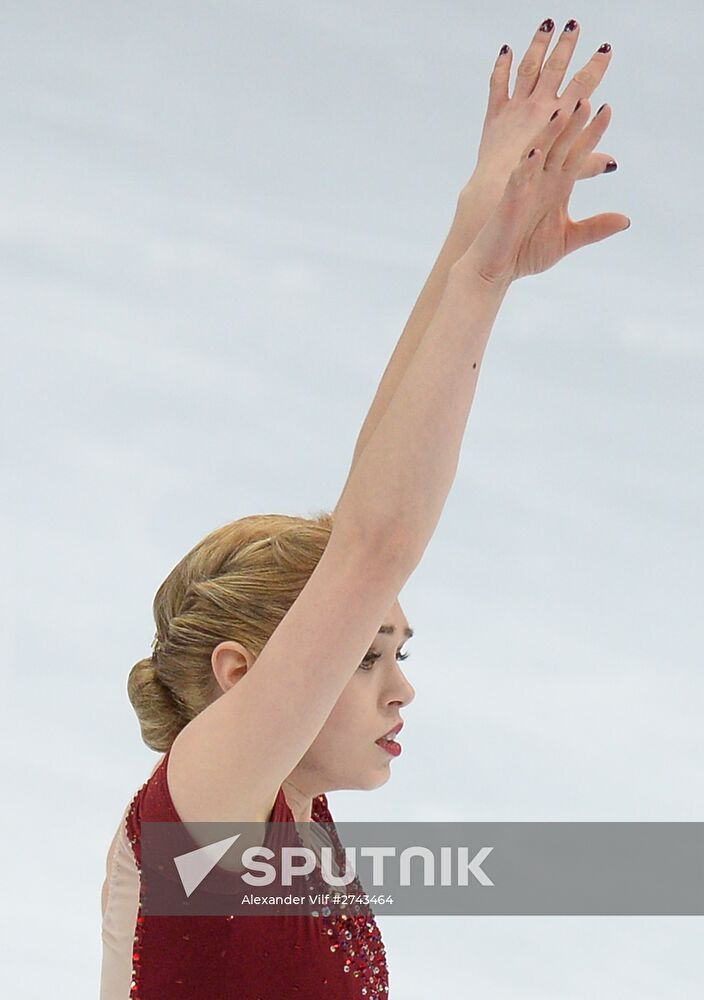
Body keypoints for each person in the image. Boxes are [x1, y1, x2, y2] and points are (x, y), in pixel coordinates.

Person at [100, 18, 629, 1000]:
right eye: (362, 655)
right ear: (242, 673)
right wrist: (477, 280)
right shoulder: (202, 813)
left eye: (394, 651)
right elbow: (372, 544)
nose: (400, 693)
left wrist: (477, 237)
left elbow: (361, 522)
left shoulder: (288, 817)